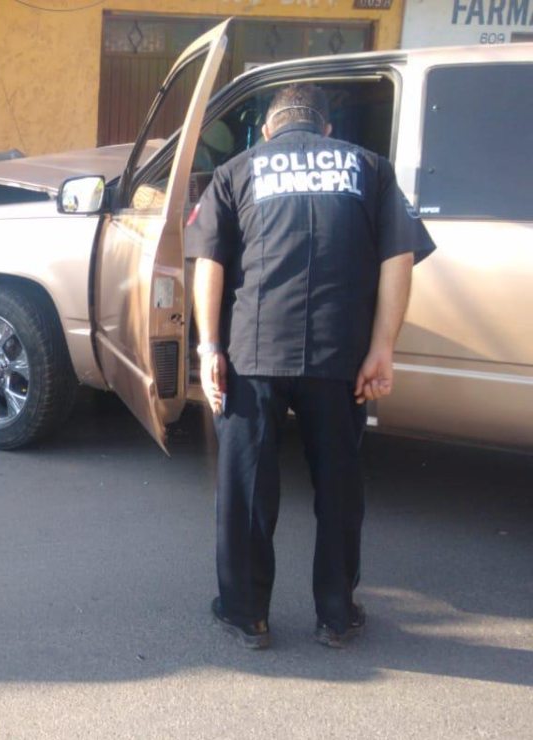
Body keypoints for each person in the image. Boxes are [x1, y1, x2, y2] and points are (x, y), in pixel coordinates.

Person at [184, 84, 435, 649]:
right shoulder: (370, 168)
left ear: (268, 129)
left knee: (247, 488)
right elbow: (398, 257)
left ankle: (247, 614)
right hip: (339, 354)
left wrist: (209, 347)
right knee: (339, 487)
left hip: (254, 351)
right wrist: (383, 348)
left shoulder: (237, 170)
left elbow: (210, 263)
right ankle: (337, 616)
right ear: (326, 129)